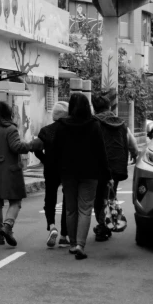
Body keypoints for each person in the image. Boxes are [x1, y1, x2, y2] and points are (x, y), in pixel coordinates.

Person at [0, 101, 43, 247]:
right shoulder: (10, 129)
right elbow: (16, 146)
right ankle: (7, 225)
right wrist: (32, 145)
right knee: (15, 201)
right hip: (9, 171)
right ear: (7, 113)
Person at [52, 93, 109, 260]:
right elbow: (101, 152)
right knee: (85, 209)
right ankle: (80, 245)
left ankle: (72, 244)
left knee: (70, 209)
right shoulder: (94, 125)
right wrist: (107, 175)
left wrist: (56, 173)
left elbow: (55, 152)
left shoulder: (62, 125)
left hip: (68, 173)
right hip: (90, 173)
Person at [92, 94, 139, 241]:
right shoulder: (121, 122)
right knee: (109, 195)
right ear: (109, 107)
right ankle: (107, 223)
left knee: (99, 196)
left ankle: (103, 226)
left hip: (99, 166)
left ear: (95, 108)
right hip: (117, 166)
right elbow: (131, 141)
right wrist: (134, 153)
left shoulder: (94, 122)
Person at [33, 101, 70, 248]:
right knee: (67, 200)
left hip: (50, 168)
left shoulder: (46, 131)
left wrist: (45, 159)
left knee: (50, 198)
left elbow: (36, 148)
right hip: (67, 169)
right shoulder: (71, 131)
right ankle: (64, 235)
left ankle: (52, 226)